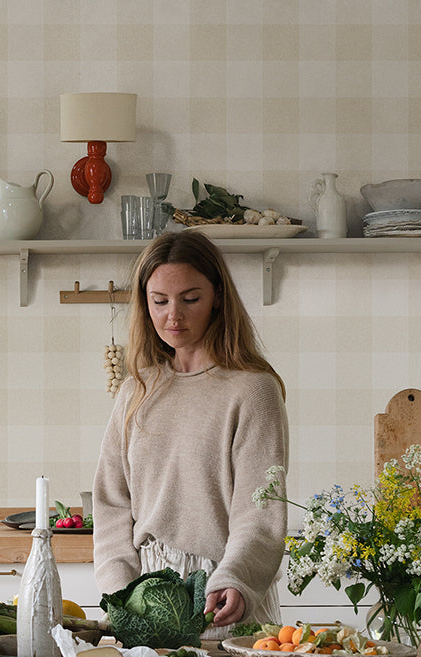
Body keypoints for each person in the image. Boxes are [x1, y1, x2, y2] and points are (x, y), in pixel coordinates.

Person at [92, 229, 288, 636]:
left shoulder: (252, 390)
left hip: (223, 599)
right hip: (145, 600)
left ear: (217, 296)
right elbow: (111, 504)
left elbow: (260, 511)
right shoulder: (135, 391)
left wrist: (234, 578)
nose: (173, 316)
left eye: (190, 299)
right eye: (159, 301)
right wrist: (120, 594)